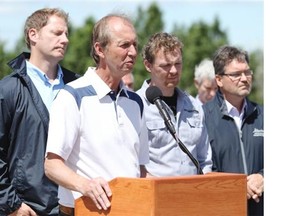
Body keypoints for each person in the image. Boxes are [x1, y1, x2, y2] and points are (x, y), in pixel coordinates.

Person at [44, 14, 149, 215]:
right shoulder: (72, 96)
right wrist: (85, 185)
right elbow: (52, 165)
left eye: (135, 44)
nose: (133, 52)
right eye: (124, 45)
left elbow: (141, 170)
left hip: (131, 210)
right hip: (84, 211)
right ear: (100, 49)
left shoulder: (136, 102)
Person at [0, 8, 79, 216]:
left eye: (67, 34)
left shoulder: (78, 88)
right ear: (33, 35)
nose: (65, 40)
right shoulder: (8, 90)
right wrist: (11, 205)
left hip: (73, 206)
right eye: (57, 33)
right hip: (27, 209)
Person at [136, 32, 212, 177]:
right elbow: (134, 163)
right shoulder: (136, 105)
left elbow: (205, 161)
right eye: (166, 65)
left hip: (193, 194)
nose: (174, 71)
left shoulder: (194, 105)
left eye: (178, 64)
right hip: (155, 195)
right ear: (148, 65)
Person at [202, 45, 263, 215]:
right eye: (236, 74)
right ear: (219, 80)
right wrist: (236, 186)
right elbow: (202, 170)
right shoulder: (202, 117)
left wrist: (263, 177)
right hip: (223, 209)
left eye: (247, 72)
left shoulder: (264, 115)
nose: (244, 79)